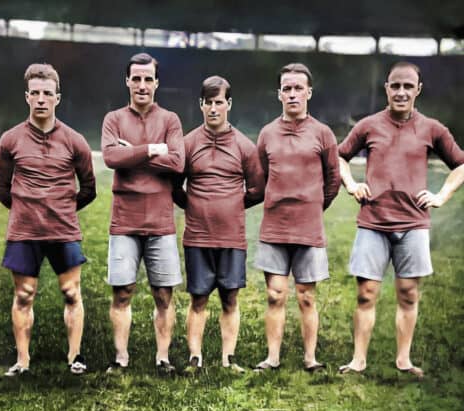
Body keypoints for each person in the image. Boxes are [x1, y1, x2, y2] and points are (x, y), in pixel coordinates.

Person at [338, 61, 464, 379]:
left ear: (418, 90)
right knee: (366, 293)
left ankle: (404, 361)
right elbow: (339, 156)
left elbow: (460, 165)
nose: (401, 92)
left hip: (413, 225)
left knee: (408, 293)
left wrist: (441, 195)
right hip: (373, 222)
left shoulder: (433, 129)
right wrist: (352, 185)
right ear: (386, 89)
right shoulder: (368, 126)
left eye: (408, 86)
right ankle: (358, 361)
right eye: (395, 85)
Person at [0, 63, 96, 376]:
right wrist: (28, 209)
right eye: (35, 93)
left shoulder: (75, 140)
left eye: (47, 93)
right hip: (24, 231)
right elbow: (1, 189)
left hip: (63, 230)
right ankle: (22, 361)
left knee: (71, 293)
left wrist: (60, 208)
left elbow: (89, 188)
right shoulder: (10, 140)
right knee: (24, 295)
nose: (41, 99)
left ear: (57, 98)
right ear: (27, 97)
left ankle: (75, 356)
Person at [172, 76, 263, 374]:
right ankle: (194, 358)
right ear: (201, 105)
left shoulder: (245, 146)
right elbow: (175, 187)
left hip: (232, 237)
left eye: (219, 102)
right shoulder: (187, 144)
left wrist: (232, 207)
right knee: (198, 297)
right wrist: (197, 207)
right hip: (197, 236)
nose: (213, 109)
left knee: (230, 296)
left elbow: (257, 189)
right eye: (208, 103)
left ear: (229, 104)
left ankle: (228, 358)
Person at [101, 52, 185, 374]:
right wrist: (153, 149)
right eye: (136, 78)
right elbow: (110, 157)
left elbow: (178, 163)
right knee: (122, 292)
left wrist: (131, 153)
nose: (142, 85)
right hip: (125, 220)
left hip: (161, 221)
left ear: (156, 83)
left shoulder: (171, 120)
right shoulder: (113, 119)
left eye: (148, 79)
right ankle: (121, 359)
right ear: (127, 81)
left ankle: (162, 358)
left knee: (163, 294)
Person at [254, 63, 340, 372]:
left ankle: (310, 359)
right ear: (279, 94)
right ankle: (272, 358)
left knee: (306, 297)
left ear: (309, 93)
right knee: (275, 295)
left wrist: (315, 207)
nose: (292, 94)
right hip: (274, 227)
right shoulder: (266, 134)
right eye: (287, 89)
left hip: (309, 228)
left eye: (298, 88)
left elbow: (333, 180)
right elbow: (260, 178)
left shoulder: (323, 134)